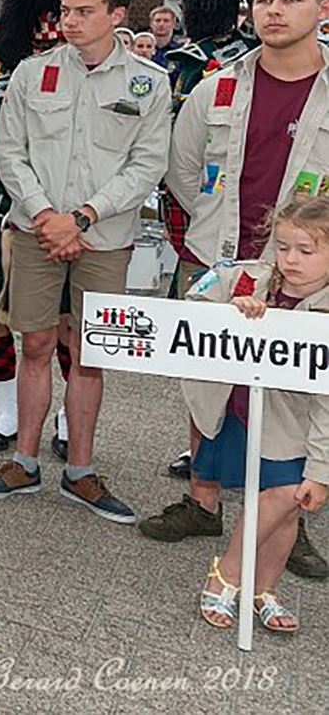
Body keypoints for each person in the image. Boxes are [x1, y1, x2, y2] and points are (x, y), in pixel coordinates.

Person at [141, 0, 329, 578]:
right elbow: (181, 167)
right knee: (207, 383)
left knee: (295, 394)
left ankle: (285, 517)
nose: (274, 11)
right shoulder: (218, 84)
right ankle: (203, 500)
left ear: (322, 8)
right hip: (219, 263)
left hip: (307, 274)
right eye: (264, 0)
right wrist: (213, 234)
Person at [0, 0, 169, 522]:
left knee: (89, 354)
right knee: (35, 345)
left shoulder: (149, 83)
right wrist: (46, 216)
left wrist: (82, 218)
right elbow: (10, 153)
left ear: (117, 14)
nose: (71, 21)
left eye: (85, 11)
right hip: (36, 231)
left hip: (104, 238)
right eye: (66, 10)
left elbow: (147, 163)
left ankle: (80, 471)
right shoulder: (32, 74)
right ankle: (24, 461)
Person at [186, 196, 329, 633]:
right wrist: (233, 311)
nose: (291, 259)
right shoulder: (249, 277)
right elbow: (190, 305)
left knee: (287, 500)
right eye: (283, 247)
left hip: (297, 429)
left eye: (306, 250)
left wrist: (321, 471)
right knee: (282, 502)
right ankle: (239, 579)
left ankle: (246, 580)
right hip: (240, 412)